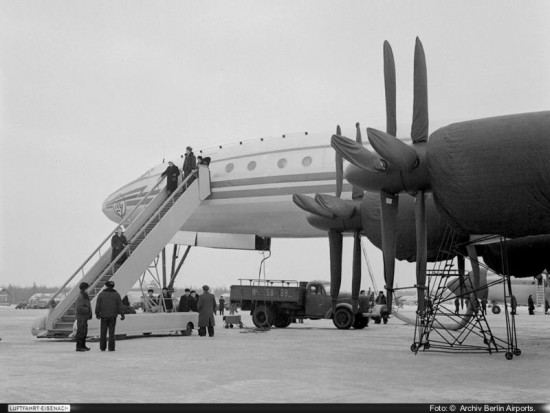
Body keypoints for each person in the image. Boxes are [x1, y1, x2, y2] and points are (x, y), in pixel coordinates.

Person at [95, 280, 125, 352]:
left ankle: (102, 347)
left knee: (103, 332)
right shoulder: (117, 294)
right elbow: (120, 306)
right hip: (113, 316)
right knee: (111, 333)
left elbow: (98, 305)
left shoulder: (101, 294)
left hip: (104, 316)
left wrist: (97, 314)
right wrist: (122, 314)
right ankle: (111, 348)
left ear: (106, 286)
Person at [75, 282, 92, 352]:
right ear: (85, 288)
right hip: (81, 317)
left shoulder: (84, 295)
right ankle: (79, 346)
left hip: (84, 317)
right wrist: (87, 310)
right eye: (87, 288)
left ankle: (83, 345)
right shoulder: (81, 296)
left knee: (84, 331)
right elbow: (79, 307)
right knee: (81, 331)